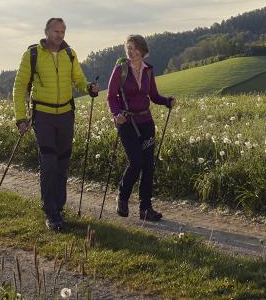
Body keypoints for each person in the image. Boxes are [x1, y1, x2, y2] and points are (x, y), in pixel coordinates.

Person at [13, 17, 99, 232]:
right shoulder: (32, 55)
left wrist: (88, 88)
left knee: (62, 163)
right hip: (43, 116)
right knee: (49, 162)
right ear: (46, 32)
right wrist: (21, 118)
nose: (59, 36)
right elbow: (19, 87)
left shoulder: (70, 54)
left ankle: (59, 208)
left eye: (62, 32)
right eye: (55, 31)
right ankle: (50, 212)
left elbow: (78, 80)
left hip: (66, 115)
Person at [107, 34, 176, 221]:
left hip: (146, 123)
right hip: (127, 123)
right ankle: (122, 196)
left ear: (143, 50)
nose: (131, 51)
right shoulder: (120, 69)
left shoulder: (148, 70)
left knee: (148, 166)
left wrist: (166, 101)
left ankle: (146, 209)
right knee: (136, 162)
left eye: (135, 48)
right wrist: (116, 114)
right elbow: (111, 96)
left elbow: (153, 95)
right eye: (129, 47)